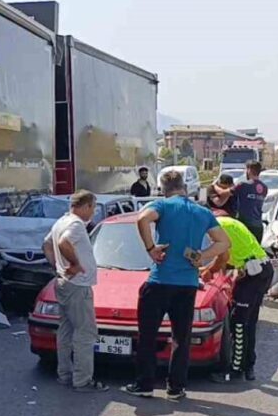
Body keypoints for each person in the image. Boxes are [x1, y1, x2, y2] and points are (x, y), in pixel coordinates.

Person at [122, 169, 230, 400]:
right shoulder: (202, 212)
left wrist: (151, 249)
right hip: (188, 284)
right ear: (185, 187)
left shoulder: (162, 206)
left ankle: (145, 384)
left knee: (148, 336)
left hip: (160, 281)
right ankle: (176, 387)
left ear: (162, 188)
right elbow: (224, 242)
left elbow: (142, 218)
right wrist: (202, 255)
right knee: (181, 337)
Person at [41, 190, 108, 392]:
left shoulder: (61, 221)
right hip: (78, 285)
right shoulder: (76, 225)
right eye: (93, 208)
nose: (93, 212)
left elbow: (47, 244)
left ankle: (65, 374)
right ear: (85, 206)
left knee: (66, 329)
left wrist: (57, 269)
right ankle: (83, 380)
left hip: (64, 283)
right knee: (85, 332)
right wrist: (75, 264)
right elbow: (62, 243)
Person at [203, 206, 273, 383]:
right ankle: (248, 365)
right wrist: (208, 268)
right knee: (248, 322)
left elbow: (223, 257)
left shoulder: (218, 226)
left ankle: (234, 370)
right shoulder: (227, 222)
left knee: (239, 323)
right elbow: (227, 257)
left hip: (254, 275)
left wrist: (208, 271)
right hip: (257, 271)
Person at [232, 160, 269, 242]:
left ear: (249, 170)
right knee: (255, 253)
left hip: (244, 225)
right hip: (258, 226)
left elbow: (228, 193)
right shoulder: (264, 187)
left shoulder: (242, 185)